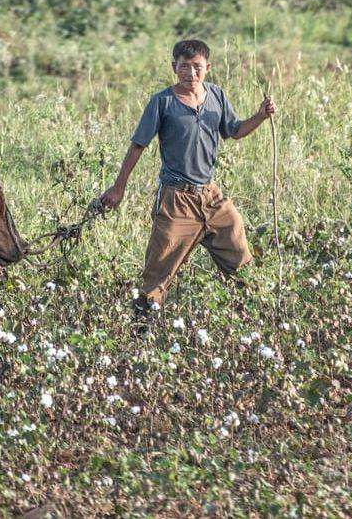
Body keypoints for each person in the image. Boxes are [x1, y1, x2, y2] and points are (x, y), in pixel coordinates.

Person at [99, 39, 277, 327]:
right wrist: (118, 188)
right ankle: (138, 334)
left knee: (241, 259)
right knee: (157, 274)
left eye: (197, 67)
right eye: (184, 67)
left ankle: (255, 323)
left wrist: (260, 115)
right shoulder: (162, 102)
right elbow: (137, 146)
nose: (191, 73)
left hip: (211, 197)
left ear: (208, 67)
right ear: (174, 68)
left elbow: (235, 131)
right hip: (176, 201)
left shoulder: (216, 96)